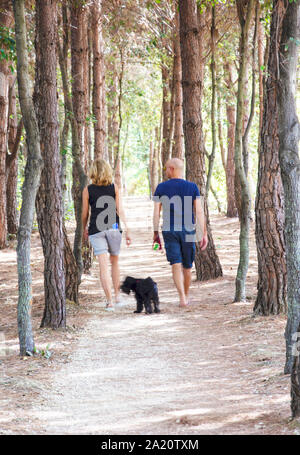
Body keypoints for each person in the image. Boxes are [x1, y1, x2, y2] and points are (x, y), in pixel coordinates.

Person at [153, 158, 208, 307]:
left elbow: (156, 213)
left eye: (166, 168)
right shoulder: (192, 187)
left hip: (169, 230)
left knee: (176, 264)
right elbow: (199, 212)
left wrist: (155, 233)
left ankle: (182, 297)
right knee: (187, 266)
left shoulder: (161, 187)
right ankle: (186, 295)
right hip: (188, 230)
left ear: (171, 169)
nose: (165, 171)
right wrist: (203, 234)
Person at [82, 159, 131, 311]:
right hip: (113, 228)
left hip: (96, 230)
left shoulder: (87, 190)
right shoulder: (114, 187)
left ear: (93, 172)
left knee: (103, 267)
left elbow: (85, 213)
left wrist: (84, 229)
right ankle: (117, 296)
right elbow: (120, 210)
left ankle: (109, 302)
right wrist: (127, 229)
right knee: (115, 262)